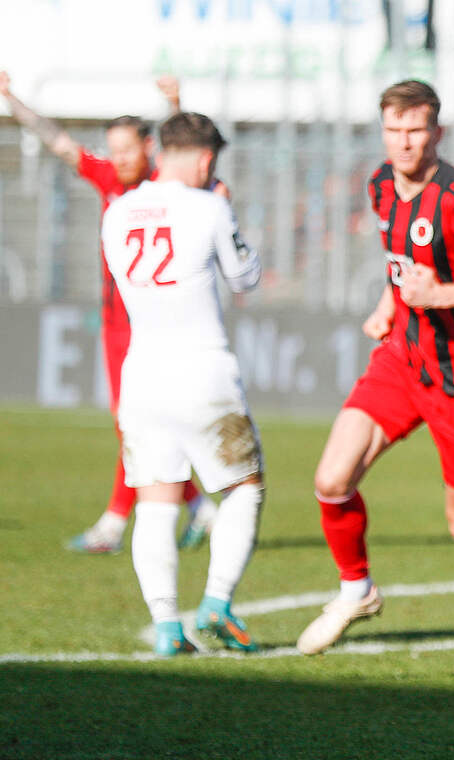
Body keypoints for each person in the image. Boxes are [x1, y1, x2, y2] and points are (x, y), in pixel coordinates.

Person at [298, 80, 454, 680]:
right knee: (331, 479)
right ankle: (356, 590)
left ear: (437, 132)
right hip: (403, 359)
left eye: (416, 130)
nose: (404, 142)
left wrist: (441, 296)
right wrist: (390, 302)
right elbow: (401, 262)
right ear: (383, 132)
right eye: (394, 130)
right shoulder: (380, 184)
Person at [0, 70, 218, 554]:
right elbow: (59, 143)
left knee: (137, 422)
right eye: (113, 149)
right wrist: (11, 99)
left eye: (126, 149)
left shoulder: (164, 184)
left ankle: (116, 524)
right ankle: (198, 508)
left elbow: (186, 146)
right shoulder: (108, 180)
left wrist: (176, 103)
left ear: (150, 149)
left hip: (155, 326)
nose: (118, 158)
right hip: (116, 323)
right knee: (137, 422)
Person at [101, 112, 265, 657]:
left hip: (142, 372)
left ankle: (167, 627)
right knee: (244, 486)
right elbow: (244, 277)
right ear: (205, 158)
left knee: (156, 499)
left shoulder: (118, 211)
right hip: (202, 368)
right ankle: (216, 603)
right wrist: (226, 209)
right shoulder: (209, 205)